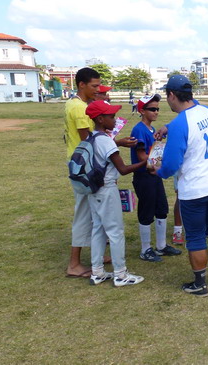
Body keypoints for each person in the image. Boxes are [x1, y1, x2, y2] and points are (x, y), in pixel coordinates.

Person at [153, 75, 208, 296]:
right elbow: (192, 115)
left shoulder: (181, 123)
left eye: (166, 97)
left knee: (196, 236)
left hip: (195, 189)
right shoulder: (206, 111)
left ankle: (200, 283)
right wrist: (168, 127)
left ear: (171, 95)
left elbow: (170, 165)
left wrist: (157, 171)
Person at [63, 67, 136, 278]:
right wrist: (117, 144)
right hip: (89, 170)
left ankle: (96, 261)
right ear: (81, 85)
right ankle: (75, 263)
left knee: (94, 220)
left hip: (82, 166)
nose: (98, 90)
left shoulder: (74, 104)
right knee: (86, 216)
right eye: (94, 86)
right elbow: (91, 141)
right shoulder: (79, 108)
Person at [85, 100, 147, 287]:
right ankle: (120, 274)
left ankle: (97, 272)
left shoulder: (92, 137)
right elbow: (123, 169)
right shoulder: (104, 140)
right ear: (101, 119)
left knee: (98, 229)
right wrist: (146, 162)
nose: (115, 119)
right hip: (106, 188)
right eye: (111, 116)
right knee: (115, 232)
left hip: (93, 189)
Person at [130, 94, 182, 262]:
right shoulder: (139, 129)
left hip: (154, 175)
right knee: (146, 212)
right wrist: (159, 162)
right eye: (152, 109)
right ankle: (145, 249)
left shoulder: (152, 130)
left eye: (158, 109)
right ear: (142, 111)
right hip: (144, 176)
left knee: (161, 209)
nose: (156, 112)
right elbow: (141, 156)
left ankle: (161, 246)